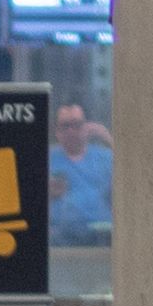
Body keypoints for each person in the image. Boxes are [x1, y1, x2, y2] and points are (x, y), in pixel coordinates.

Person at [46, 102, 115, 245]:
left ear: (87, 127)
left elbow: (133, 182)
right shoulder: (46, 159)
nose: (71, 131)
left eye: (77, 124)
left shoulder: (106, 157)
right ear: (57, 132)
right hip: (60, 241)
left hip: (102, 237)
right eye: (65, 126)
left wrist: (107, 138)